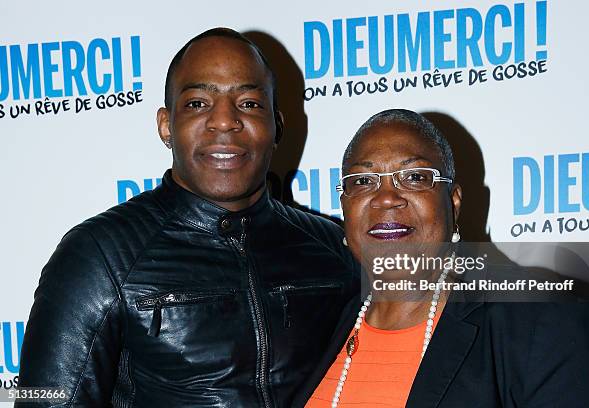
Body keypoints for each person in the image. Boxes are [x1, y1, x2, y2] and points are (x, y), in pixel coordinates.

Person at [18, 28, 357, 407]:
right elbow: (42, 399)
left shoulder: (333, 249)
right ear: (166, 126)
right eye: (198, 103)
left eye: (249, 103)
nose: (225, 121)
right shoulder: (100, 255)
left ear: (277, 125)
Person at [296, 109, 589, 407]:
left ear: (454, 202)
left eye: (415, 177)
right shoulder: (321, 326)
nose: (386, 197)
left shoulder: (542, 319)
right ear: (345, 206)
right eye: (363, 181)